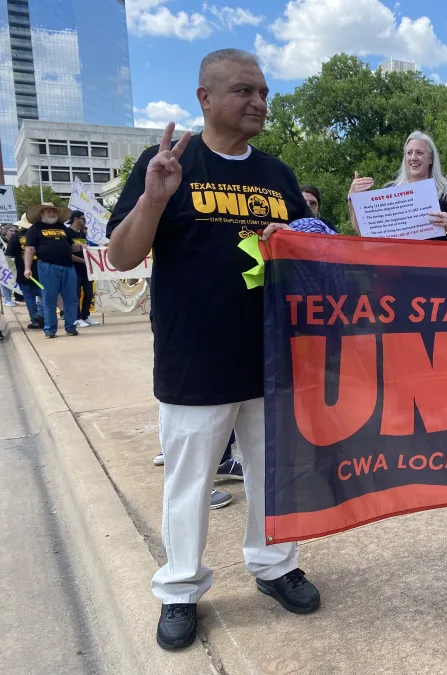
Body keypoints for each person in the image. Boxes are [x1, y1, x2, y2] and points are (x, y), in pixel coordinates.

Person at [106, 48, 320, 652]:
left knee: (272, 474)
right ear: (205, 97)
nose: (258, 102)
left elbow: (307, 255)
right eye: (243, 91)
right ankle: (179, 590)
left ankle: (275, 566)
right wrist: (153, 198)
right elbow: (122, 257)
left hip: (270, 356)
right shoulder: (168, 162)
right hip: (193, 356)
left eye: (264, 93)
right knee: (189, 482)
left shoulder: (278, 175)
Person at [348, 131, 447, 241]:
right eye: (409, 153)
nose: (413, 158)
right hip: (398, 265)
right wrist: (352, 199)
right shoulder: (390, 192)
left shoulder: (445, 195)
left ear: (431, 159)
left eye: (419, 153)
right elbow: (366, 235)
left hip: (434, 265)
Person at [24, 203, 81, 338]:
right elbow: (29, 249)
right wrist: (27, 268)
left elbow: (71, 246)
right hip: (47, 266)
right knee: (49, 298)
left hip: (68, 267)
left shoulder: (63, 228)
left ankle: (71, 327)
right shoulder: (35, 229)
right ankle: (50, 329)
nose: (51, 213)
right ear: (42, 214)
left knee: (71, 298)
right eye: (48, 211)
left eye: (53, 211)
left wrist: (81, 246)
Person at [5, 224, 43, 328]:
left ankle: (35, 320)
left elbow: (9, 256)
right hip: (43, 270)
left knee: (29, 297)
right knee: (47, 296)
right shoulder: (41, 234)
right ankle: (42, 315)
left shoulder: (15, 237)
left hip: (23, 271)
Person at [66, 210, 100, 328]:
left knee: (89, 292)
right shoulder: (67, 233)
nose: (85, 222)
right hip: (74, 268)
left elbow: (88, 248)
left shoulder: (82, 233)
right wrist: (82, 260)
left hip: (86, 269)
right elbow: (67, 252)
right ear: (76, 219)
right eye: (83, 219)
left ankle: (85, 315)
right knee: (76, 293)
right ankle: (77, 317)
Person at [1, 226, 17, 307]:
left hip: (11, 263)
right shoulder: (1, 240)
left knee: (11, 281)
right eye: (11, 231)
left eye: (14, 231)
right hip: (3, 263)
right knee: (5, 281)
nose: (13, 232)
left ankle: (9, 299)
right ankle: (7, 299)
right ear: (6, 231)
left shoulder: (12, 240)